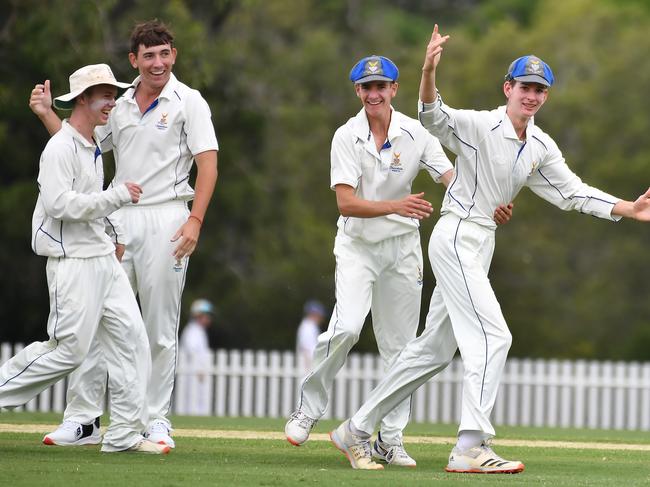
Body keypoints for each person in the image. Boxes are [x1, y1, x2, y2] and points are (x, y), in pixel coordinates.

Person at [329, 25, 650, 473]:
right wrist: (428, 69)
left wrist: (627, 209)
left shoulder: (538, 145)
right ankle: (470, 447)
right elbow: (431, 115)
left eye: (540, 90)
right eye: (525, 87)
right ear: (508, 88)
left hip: (482, 244)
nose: (532, 96)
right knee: (494, 335)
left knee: (433, 351)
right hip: (456, 235)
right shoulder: (480, 125)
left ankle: (357, 428)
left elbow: (571, 192)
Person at [285, 55, 512, 469]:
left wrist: (488, 204)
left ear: (394, 89)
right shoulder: (345, 136)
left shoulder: (416, 133)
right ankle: (309, 408)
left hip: (403, 251)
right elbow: (346, 203)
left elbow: (453, 179)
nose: (374, 94)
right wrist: (397, 206)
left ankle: (389, 439)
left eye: (382, 86)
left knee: (401, 347)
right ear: (358, 92)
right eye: (367, 87)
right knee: (346, 328)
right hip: (357, 246)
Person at [28, 19, 218, 448]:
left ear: (174, 55)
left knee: (158, 325)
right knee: (95, 319)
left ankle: (154, 420)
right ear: (133, 60)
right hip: (116, 219)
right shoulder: (122, 102)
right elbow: (79, 146)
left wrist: (195, 221)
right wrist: (45, 115)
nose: (157, 63)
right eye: (148, 55)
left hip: (168, 217)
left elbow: (208, 163)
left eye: (164, 53)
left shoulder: (189, 101)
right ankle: (83, 419)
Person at [0, 64, 169, 454]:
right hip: (71, 261)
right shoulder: (59, 148)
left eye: (113, 94)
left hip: (101, 260)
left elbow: (92, 201)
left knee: (132, 340)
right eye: (105, 95)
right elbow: (60, 206)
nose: (112, 102)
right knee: (67, 351)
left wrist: (115, 234)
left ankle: (126, 434)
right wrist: (118, 196)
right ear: (82, 99)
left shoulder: (90, 145)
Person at [177, 299, 215, 415]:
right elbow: (192, 351)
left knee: (199, 401)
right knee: (191, 401)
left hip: (197, 374)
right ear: (198, 315)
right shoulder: (192, 331)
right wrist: (199, 369)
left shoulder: (199, 331)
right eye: (206, 316)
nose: (209, 319)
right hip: (192, 374)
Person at [295, 300, 326, 374]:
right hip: (308, 363)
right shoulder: (308, 327)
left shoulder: (311, 326)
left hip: (309, 363)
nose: (321, 318)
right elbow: (308, 346)